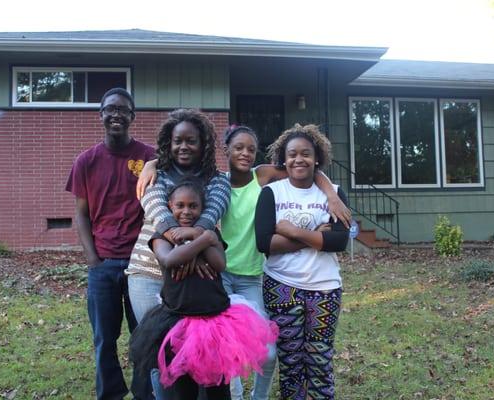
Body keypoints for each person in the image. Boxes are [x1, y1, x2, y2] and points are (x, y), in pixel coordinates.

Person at [137, 125, 352, 399]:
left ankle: (258, 397)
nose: (245, 154)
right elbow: (182, 181)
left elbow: (306, 166)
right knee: (223, 352)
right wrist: (151, 164)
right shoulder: (214, 181)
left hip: (252, 277)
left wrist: (332, 195)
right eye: (238, 148)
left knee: (269, 350)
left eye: (251, 149)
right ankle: (235, 395)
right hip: (218, 273)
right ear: (226, 151)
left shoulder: (261, 177)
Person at [129, 177, 278, 400]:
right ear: (170, 206)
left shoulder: (211, 235)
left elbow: (219, 264)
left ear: (202, 208)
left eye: (193, 206)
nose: (186, 211)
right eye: (180, 206)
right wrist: (203, 239)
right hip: (178, 323)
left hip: (214, 322)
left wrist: (204, 237)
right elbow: (170, 260)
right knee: (183, 388)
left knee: (218, 388)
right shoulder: (162, 237)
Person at [126, 109, 230, 399]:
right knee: (160, 351)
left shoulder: (218, 181)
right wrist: (192, 245)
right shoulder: (154, 175)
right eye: (177, 141)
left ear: (203, 144)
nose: (183, 146)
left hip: (196, 279)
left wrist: (191, 250)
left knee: (196, 356)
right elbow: (159, 214)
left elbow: (209, 218)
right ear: (168, 143)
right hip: (148, 273)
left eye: (191, 141)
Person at [65, 88, 156, 400]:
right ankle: (111, 394)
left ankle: (145, 393)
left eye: (123, 110)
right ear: (100, 115)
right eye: (110, 109)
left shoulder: (148, 157)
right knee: (104, 337)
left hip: (141, 265)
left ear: (132, 116)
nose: (116, 114)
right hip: (102, 265)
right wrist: (92, 259)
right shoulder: (86, 161)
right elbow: (81, 214)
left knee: (143, 334)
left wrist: (157, 163)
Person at [255, 123, 349, 400]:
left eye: (306, 154)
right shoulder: (272, 193)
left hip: (325, 288)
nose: (299, 159)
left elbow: (339, 241)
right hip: (281, 286)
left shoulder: (334, 193)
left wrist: (291, 231)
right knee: (291, 362)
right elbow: (265, 244)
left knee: (320, 360)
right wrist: (315, 236)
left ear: (317, 158)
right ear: (283, 159)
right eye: (292, 154)